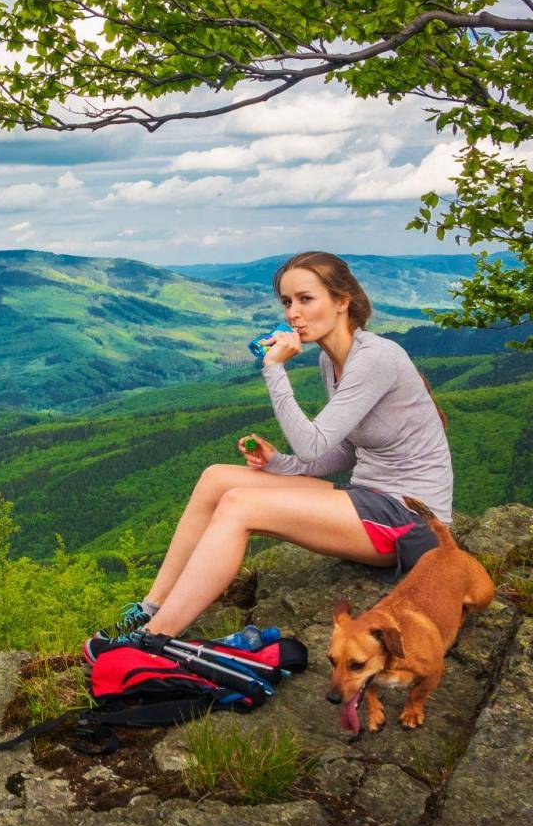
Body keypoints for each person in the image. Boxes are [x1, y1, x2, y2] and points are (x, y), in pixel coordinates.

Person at [92, 251, 454, 650]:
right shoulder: (330, 360)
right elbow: (345, 452)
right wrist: (277, 463)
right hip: (369, 498)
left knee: (239, 505)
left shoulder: (376, 358)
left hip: (411, 520)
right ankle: (152, 608)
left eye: (305, 299)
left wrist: (274, 369)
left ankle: (153, 641)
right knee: (217, 478)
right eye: (286, 302)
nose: (293, 314)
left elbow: (313, 442)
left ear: (342, 300)